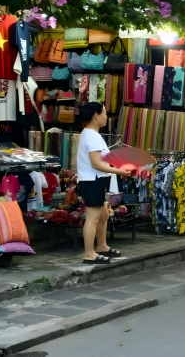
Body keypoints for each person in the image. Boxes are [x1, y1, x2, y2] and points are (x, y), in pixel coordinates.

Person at [77, 102, 132, 265]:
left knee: (104, 215)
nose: (106, 117)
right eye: (104, 113)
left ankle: (101, 246)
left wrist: (115, 168)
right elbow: (96, 163)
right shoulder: (92, 136)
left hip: (96, 180)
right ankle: (89, 254)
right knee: (93, 218)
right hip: (93, 181)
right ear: (96, 115)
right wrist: (119, 172)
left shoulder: (88, 133)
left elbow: (101, 162)